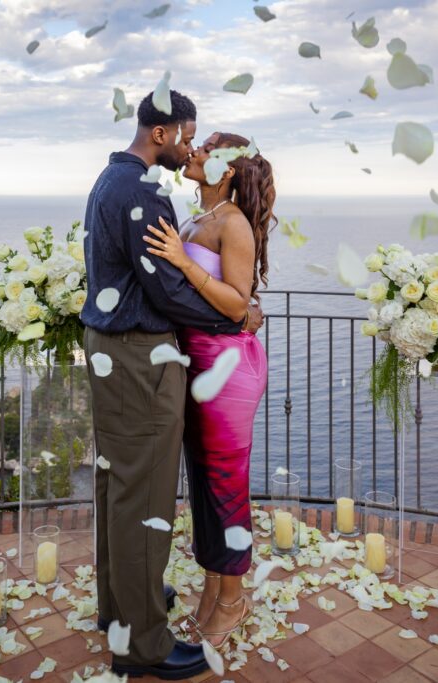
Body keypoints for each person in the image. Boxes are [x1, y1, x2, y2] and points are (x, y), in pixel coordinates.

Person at [80, 91, 263, 680]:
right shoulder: (143, 192)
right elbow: (163, 291)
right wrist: (235, 316)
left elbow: (175, 281)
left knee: (121, 489)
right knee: (142, 498)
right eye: (189, 137)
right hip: (140, 358)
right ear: (161, 134)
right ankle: (143, 646)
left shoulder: (113, 179)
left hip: (140, 356)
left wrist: (233, 312)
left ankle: (125, 612)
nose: (191, 147)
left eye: (203, 144)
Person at [143, 132, 273, 649]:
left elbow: (239, 304)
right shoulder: (199, 218)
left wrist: (182, 260)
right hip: (197, 361)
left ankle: (233, 597)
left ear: (224, 171)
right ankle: (215, 588)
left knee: (223, 481)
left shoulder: (233, 223)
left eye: (207, 150)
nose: (193, 152)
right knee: (203, 480)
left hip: (226, 366)